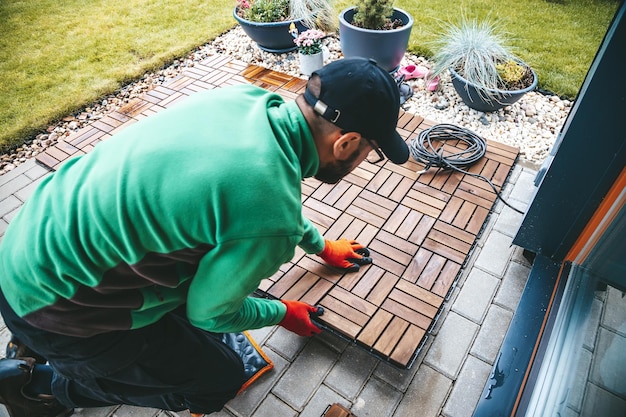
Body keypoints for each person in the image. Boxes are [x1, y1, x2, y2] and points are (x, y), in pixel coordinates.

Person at [0, 57, 409, 417]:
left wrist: (319, 245)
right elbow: (209, 314)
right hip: (60, 312)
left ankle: (28, 345)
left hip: (25, 246)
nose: (364, 160)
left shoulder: (243, 102)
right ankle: (39, 388)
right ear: (347, 143)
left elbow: (249, 202)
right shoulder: (271, 214)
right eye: (370, 150)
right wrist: (281, 313)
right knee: (219, 379)